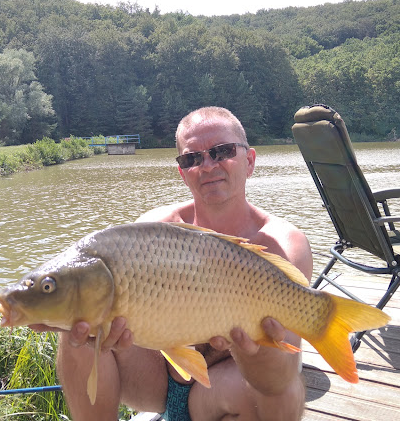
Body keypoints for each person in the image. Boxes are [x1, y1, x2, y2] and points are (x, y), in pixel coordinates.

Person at [37, 106, 313, 420]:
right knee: (77, 328)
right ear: (182, 172)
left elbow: (280, 375)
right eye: (192, 158)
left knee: (286, 394)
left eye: (222, 151)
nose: (207, 166)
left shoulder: (283, 245)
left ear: (249, 161)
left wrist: (248, 345)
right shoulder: (154, 229)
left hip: (220, 387)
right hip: (154, 377)